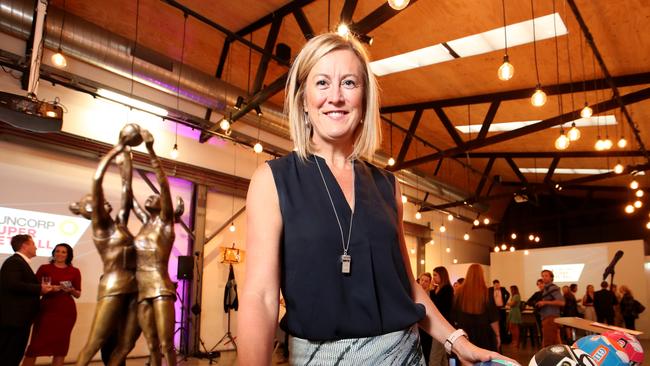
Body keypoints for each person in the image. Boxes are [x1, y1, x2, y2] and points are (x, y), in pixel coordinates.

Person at [237, 33, 515, 365]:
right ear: (303, 99)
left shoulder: (387, 185)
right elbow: (261, 297)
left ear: (364, 99)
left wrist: (456, 340)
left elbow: (406, 286)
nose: (336, 97)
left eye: (349, 83)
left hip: (405, 355)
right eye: (322, 82)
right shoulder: (273, 180)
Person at [71, 126, 142, 366]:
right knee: (96, 342)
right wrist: (118, 148)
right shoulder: (101, 229)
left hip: (134, 287)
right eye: (91, 203)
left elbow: (126, 192)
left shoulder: (119, 224)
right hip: (114, 287)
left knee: (127, 344)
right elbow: (97, 182)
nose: (98, 203)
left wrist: (127, 161)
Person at [131, 129, 181, 366]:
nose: (150, 198)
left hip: (161, 289)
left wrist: (151, 151)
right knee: (151, 344)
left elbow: (163, 185)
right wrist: (124, 158)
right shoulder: (143, 225)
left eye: (156, 197)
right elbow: (128, 196)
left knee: (166, 344)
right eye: (148, 198)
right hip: (141, 289)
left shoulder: (165, 225)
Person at [22, 243, 81, 366]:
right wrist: (48, 289)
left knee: (60, 347)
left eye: (63, 252)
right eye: (57, 251)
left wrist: (70, 290)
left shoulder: (74, 271)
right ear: (53, 253)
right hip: (46, 309)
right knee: (35, 346)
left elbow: (78, 294)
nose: (60, 254)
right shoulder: (44, 268)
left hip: (66, 312)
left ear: (68, 255)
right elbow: (34, 289)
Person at [0, 235, 53, 366]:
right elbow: (13, 284)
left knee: (13, 354)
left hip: (19, 319)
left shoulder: (19, 262)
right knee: (9, 354)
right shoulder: (14, 262)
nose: (36, 247)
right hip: (15, 319)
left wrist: (40, 289)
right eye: (33, 244)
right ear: (24, 246)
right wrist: (39, 288)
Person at [451, 264, 500, 352]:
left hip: (464, 333)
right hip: (484, 335)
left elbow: (454, 315)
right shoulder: (486, 293)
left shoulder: (459, 293)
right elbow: (493, 318)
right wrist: (497, 335)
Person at [430, 266, 453, 366]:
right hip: (438, 324)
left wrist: (432, 291)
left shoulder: (447, 289)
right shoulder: (438, 288)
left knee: (435, 357)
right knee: (442, 356)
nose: (433, 278)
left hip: (442, 325)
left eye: (435, 275)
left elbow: (440, 307)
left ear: (442, 275)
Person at [536, 269, 564, 347]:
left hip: (550, 317)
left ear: (551, 278)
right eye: (542, 276)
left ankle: (546, 358)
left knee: (548, 343)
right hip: (547, 317)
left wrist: (545, 302)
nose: (544, 278)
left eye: (546, 276)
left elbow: (561, 302)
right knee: (555, 341)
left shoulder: (552, 288)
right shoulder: (547, 288)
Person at [417, 272, 433, 365]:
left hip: (428, 328)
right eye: (422, 280)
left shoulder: (432, 296)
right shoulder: (414, 294)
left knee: (426, 352)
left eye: (426, 281)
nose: (423, 283)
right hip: (417, 326)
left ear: (429, 283)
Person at [489, 279, 510, 345]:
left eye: (498, 284)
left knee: (502, 323)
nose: (497, 286)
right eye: (495, 285)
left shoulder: (503, 289)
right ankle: (495, 339)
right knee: (495, 322)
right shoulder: (490, 289)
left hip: (501, 308)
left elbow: (508, 294)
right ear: (493, 285)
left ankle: (503, 339)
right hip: (494, 308)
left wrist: (505, 302)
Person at [507, 285, 521, 350]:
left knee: (515, 328)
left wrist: (507, 303)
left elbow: (512, 304)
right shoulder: (514, 296)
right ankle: (513, 341)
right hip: (513, 312)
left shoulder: (516, 296)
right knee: (512, 328)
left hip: (515, 312)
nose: (511, 291)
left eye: (511, 290)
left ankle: (516, 343)